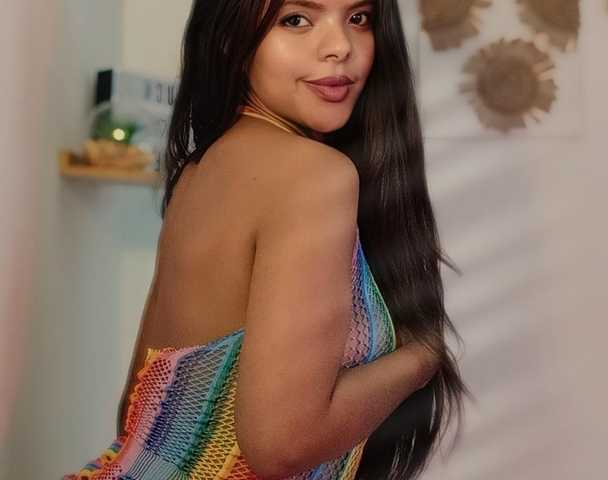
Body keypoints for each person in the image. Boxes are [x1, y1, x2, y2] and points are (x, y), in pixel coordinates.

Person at [64, 1, 471, 479]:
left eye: (358, 18)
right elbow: (282, 445)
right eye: (296, 19)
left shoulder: (202, 168)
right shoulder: (312, 175)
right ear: (229, 38)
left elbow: (136, 413)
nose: (340, 46)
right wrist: (422, 357)